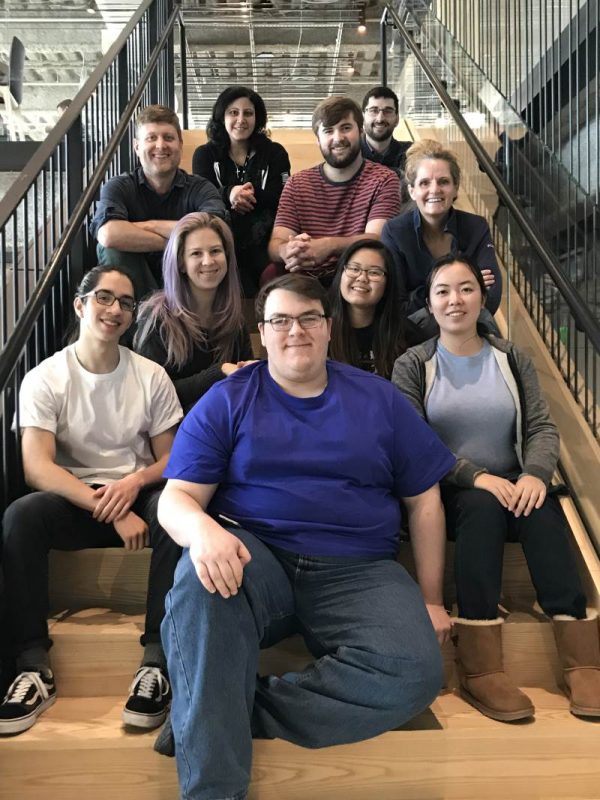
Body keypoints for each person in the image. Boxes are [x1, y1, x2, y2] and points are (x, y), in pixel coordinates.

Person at [157, 273, 456, 800]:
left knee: (414, 672)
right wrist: (202, 530)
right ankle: (213, 789)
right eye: (280, 320)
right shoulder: (229, 399)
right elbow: (176, 498)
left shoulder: (379, 399)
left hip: (359, 568)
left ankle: (212, 712)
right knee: (198, 583)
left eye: (308, 318)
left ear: (328, 326)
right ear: (262, 333)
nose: (295, 330)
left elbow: (425, 501)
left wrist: (431, 599)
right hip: (257, 556)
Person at [392, 255, 600, 722]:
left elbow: (542, 428)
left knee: (544, 511)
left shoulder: (511, 357)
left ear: (482, 298)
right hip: (449, 488)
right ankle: (481, 665)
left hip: (514, 483)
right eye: (443, 290)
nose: (455, 300)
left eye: (466, 289)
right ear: (429, 302)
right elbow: (415, 441)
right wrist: (476, 476)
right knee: (482, 507)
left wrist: (534, 475)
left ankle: (583, 659)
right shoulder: (414, 364)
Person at [0, 266, 183, 735]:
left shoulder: (151, 376)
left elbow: (170, 460)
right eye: (105, 297)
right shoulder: (45, 378)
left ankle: (156, 662)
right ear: (80, 305)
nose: (116, 309)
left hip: (137, 492)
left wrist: (132, 487)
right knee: (21, 516)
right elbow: (37, 468)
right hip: (76, 499)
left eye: (126, 302)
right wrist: (107, 505)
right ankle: (31, 665)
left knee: (175, 511)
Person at [90, 105, 227, 300]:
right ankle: (147, 322)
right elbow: (108, 235)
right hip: (134, 290)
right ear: (137, 147)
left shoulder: (200, 188)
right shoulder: (119, 186)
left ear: (180, 144)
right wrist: (182, 241)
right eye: (151, 138)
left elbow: (217, 228)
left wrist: (149, 226)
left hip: (186, 286)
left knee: (209, 249)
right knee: (112, 249)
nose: (161, 145)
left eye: (168, 138)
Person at [265, 96, 401, 286]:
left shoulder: (384, 179)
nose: (338, 138)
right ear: (318, 141)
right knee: (271, 273)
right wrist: (287, 250)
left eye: (346, 128)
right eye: (328, 131)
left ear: (360, 132)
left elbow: (377, 240)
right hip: (306, 281)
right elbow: (275, 243)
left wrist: (328, 246)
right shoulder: (297, 183)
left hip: (357, 278)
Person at [134, 212, 254, 414]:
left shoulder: (234, 320)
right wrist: (219, 372)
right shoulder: (157, 318)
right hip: (172, 432)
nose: (208, 261)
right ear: (181, 263)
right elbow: (151, 395)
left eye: (215, 251)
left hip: (223, 424)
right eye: (196, 253)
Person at [381, 139, 502, 326]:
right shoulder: (394, 232)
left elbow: (491, 295)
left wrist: (421, 294)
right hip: (413, 335)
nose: (434, 189)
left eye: (443, 181)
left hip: (470, 329)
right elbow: (396, 305)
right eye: (424, 183)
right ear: (412, 191)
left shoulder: (476, 226)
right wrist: (465, 285)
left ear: (455, 188)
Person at [192, 86, 291, 297]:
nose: (241, 119)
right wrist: (229, 193)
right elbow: (200, 196)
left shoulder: (275, 153)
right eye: (233, 113)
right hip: (222, 240)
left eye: (248, 113)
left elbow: (283, 197)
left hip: (265, 239)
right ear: (221, 117)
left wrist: (248, 193)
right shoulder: (204, 154)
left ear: (258, 118)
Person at [328, 238, 425, 378]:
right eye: (354, 269)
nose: (362, 278)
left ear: (388, 283)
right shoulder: (320, 329)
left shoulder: (407, 336)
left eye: (374, 272)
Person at [360, 86, 412, 178]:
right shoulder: (351, 153)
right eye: (373, 111)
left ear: (397, 119)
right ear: (363, 118)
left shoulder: (411, 154)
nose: (380, 119)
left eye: (388, 111)